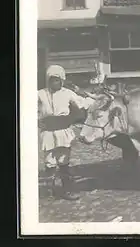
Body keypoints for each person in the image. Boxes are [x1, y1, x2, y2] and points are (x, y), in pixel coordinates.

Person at [38, 65, 95, 200]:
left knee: (64, 161)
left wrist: (96, 99)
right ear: (48, 80)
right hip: (48, 132)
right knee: (49, 161)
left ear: (62, 80)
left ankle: (67, 190)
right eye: (52, 80)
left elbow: (83, 103)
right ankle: (49, 191)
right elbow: (26, 105)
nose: (54, 82)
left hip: (63, 131)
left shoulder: (68, 93)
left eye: (57, 80)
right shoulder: (40, 94)